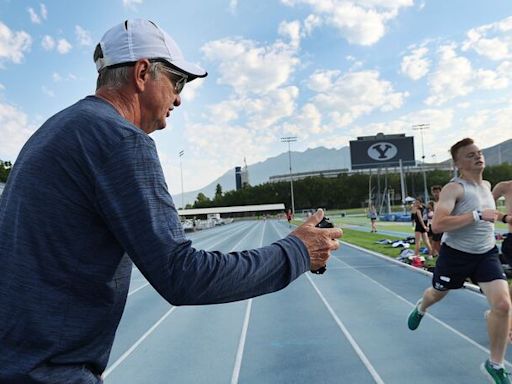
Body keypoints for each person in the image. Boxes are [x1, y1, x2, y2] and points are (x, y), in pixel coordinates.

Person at [0, 19, 343, 383]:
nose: (179, 97)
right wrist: (296, 252)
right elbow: (182, 276)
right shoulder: (120, 139)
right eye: (177, 82)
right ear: (143, 73)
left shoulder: (55, 129)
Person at [407, 138, 511, 383]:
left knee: (504, 305)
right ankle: (422, 307)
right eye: (470, 155)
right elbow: (438, 224)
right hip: (456, 256)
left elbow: (490, 213)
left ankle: (495, 364)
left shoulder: (487, 186)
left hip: (486, 253)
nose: (477, 157)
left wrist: (504, 218)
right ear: (457, 164)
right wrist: (475, 215)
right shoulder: (453, 189)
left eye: (479, 152)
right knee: (436, 293)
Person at [430, 185, 443, 257]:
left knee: (441, 242)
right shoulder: (434, 203)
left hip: (443, 225)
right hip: (436, 225)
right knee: (435, 242)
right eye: (434, 192)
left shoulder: (443, 201)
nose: (436, 194)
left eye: (437, 192)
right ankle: (440, 255)